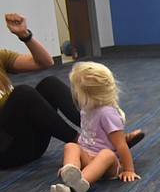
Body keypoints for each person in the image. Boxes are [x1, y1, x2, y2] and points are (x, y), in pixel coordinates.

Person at [0, 13, 143, 170]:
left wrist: (24, 35)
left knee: (50, 84)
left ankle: (104, 135)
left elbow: (45, 62)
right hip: (7, 153)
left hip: (31, 145)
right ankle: (85, 146)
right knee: (23, 94)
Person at [50, 62, 140, 192]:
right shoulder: (86, 108)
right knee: (71, 146)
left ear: (86, 93)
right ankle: (71, 171)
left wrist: (129, 169)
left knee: (106, 154)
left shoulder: (107, 113)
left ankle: (75, 185)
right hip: (88, 158)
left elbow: (121, 145)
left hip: (107, 165)